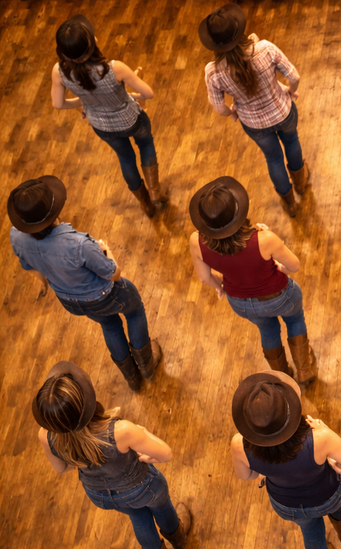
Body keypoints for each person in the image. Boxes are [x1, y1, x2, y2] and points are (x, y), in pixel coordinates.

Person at [34, 361, 189, 549]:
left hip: (100, 495)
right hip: (142, 486)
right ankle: (178, 538)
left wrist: (83, 459)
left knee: (139, 518)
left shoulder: (45, 435)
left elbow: (61, 468)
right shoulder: (120, 430)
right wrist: (143, 431)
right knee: (162, 507)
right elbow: (166, 453)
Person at [8, 176, 163, 390]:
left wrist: (46, 281)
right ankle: (147, 364)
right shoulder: (78, 244)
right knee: (135, 310)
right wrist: (108, 251)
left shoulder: (16, 237)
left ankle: (132, 379)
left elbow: (33, 269)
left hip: (71, 301)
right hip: (106, 294)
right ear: (54, 209)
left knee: (109, 324)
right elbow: (114, 274)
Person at [229, 371, 341, 549]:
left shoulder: (239, 444)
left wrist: (265, 471)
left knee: (312, 536)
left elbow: (247, 476)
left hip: (288, 505)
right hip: (330, 493)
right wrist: (327, 433)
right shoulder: (320, 438)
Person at [188, 176, 317, 385]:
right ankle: (304, 370)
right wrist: (279, 267)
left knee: (267, 330)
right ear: (238, 211)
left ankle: (283, 377)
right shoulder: (264, 239)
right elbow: (294, 266)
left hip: (241, 303)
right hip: (279, 296)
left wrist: (220, 286)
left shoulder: (197, 241)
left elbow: (204, 277)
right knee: (294, 320)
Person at [201, 3, 309, 217]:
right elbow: (294, 76)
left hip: (254, 124)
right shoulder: (264, 48)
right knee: (292, 142)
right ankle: (301, 183)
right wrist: (290, 91)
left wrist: (233, 111)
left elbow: (218, 107)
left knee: (274, 159)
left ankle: (290, 203)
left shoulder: (213, 72)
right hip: (282, 110)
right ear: (238, 30)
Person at [51, 15, 165, 217]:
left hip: (102, 126)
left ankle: (145, 204)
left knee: (126, 159)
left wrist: (81, 102)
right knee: (146, 145)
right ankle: (155, 193)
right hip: (131, 118)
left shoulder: (59, 72)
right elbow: (149, 94)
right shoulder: (114, 68)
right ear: (92, 43)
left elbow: (58, 104)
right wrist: (131, 93)